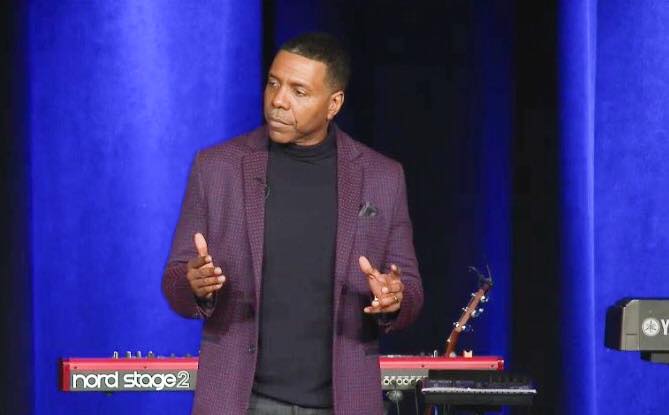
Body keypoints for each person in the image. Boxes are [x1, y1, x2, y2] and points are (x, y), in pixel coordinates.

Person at [162, 32, 423, 415]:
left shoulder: (382, 177)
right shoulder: (216, 168)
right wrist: (194, 285)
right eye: (273, 83)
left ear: (334, 103)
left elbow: (411, 292)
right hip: (241, 401)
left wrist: (393, 299)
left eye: (299, 91)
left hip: (343, 403)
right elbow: (175, 281)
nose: (278, 101)